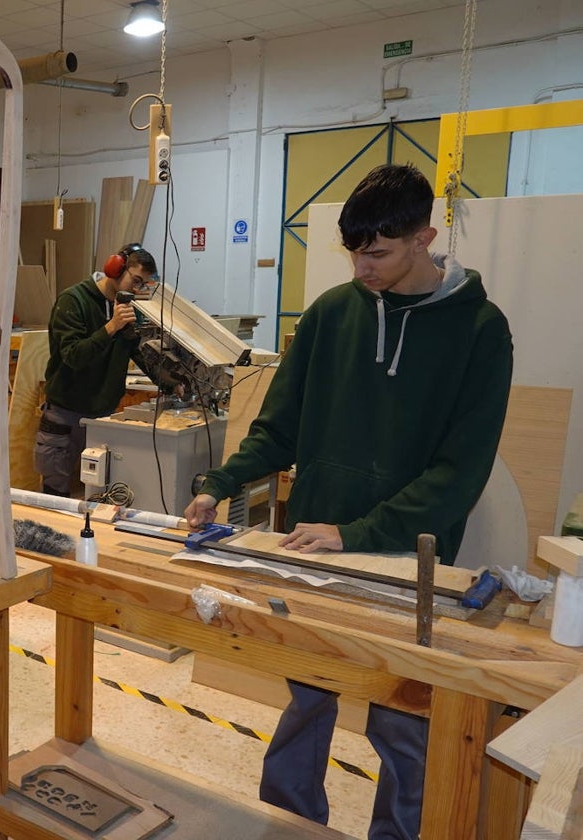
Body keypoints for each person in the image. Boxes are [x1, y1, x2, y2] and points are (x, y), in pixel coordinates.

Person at [183, 163, 513, 838]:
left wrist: (357, 530)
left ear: (424, 236)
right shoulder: (332, 315)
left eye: (379, 253)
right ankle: (288, 823)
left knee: (403, 722)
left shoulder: (480, 330)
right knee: (307, 696)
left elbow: (459, 474)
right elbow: (280, 427)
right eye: (355, 251)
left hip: (406, 565)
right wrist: (219, 484)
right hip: (314, 549)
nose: (362, 267)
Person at [36, 243, 161, 497]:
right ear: (115, 268)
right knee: (56, 493)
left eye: (142, 285)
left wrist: (170, 382)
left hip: (103, 416)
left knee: (100, 494)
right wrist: (111, 327)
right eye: (135, 281)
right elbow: (74, 357)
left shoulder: (128, 309)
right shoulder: (73, 301)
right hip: (66, 414)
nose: (136, 290)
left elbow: (140, 352)